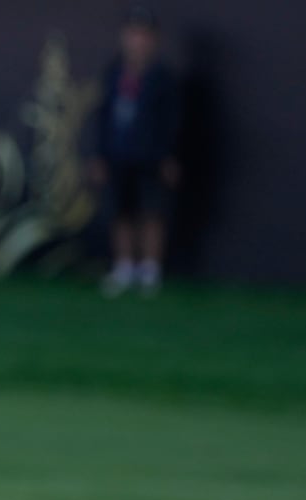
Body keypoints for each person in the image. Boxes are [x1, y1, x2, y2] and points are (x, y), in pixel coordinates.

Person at [91, 4, 180, 296]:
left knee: (152, 213)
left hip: (151, 157)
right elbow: (102, 117)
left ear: (153, 39)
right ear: (124, 36)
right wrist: (99, 155)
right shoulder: (113, 72)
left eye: (144, 34)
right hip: (118, 154)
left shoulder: (164, 78)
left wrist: (169, 155)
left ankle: (150, 270)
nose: (138, 40)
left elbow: (174, 121)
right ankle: (124, 267)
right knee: (121, 213)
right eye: (133, 34)